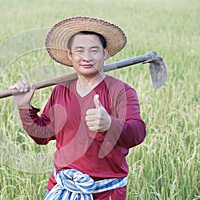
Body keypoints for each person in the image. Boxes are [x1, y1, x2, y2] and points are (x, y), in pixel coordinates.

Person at [9, 16, 146, 200]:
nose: (87, 58)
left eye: (94, 50)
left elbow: (137, 133)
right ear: (70, 56)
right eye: (79, 51)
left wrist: (110, 125)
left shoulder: (122, 92)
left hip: (106, 192)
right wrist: (24, 106)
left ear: (105, 53)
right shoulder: (61, 90)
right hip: (61, 187)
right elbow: (43, 135)